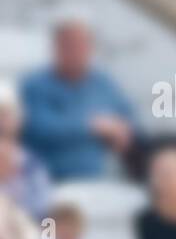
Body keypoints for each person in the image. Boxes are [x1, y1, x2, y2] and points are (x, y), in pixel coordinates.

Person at [20, 15, 140, 182]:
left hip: (99, 179)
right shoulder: (35, 85)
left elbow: (129, 119)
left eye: (81, 45)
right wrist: (91, 126)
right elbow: (38, 127)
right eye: (68, 46)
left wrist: (123, 130)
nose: (75, 52)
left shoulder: (103, 84)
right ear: (56, 48)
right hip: (51, 182)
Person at [0, 82, 52, 221]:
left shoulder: (33, 165)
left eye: (5, 114)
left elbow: (46, 214)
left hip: (25, 236)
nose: (1, 122)